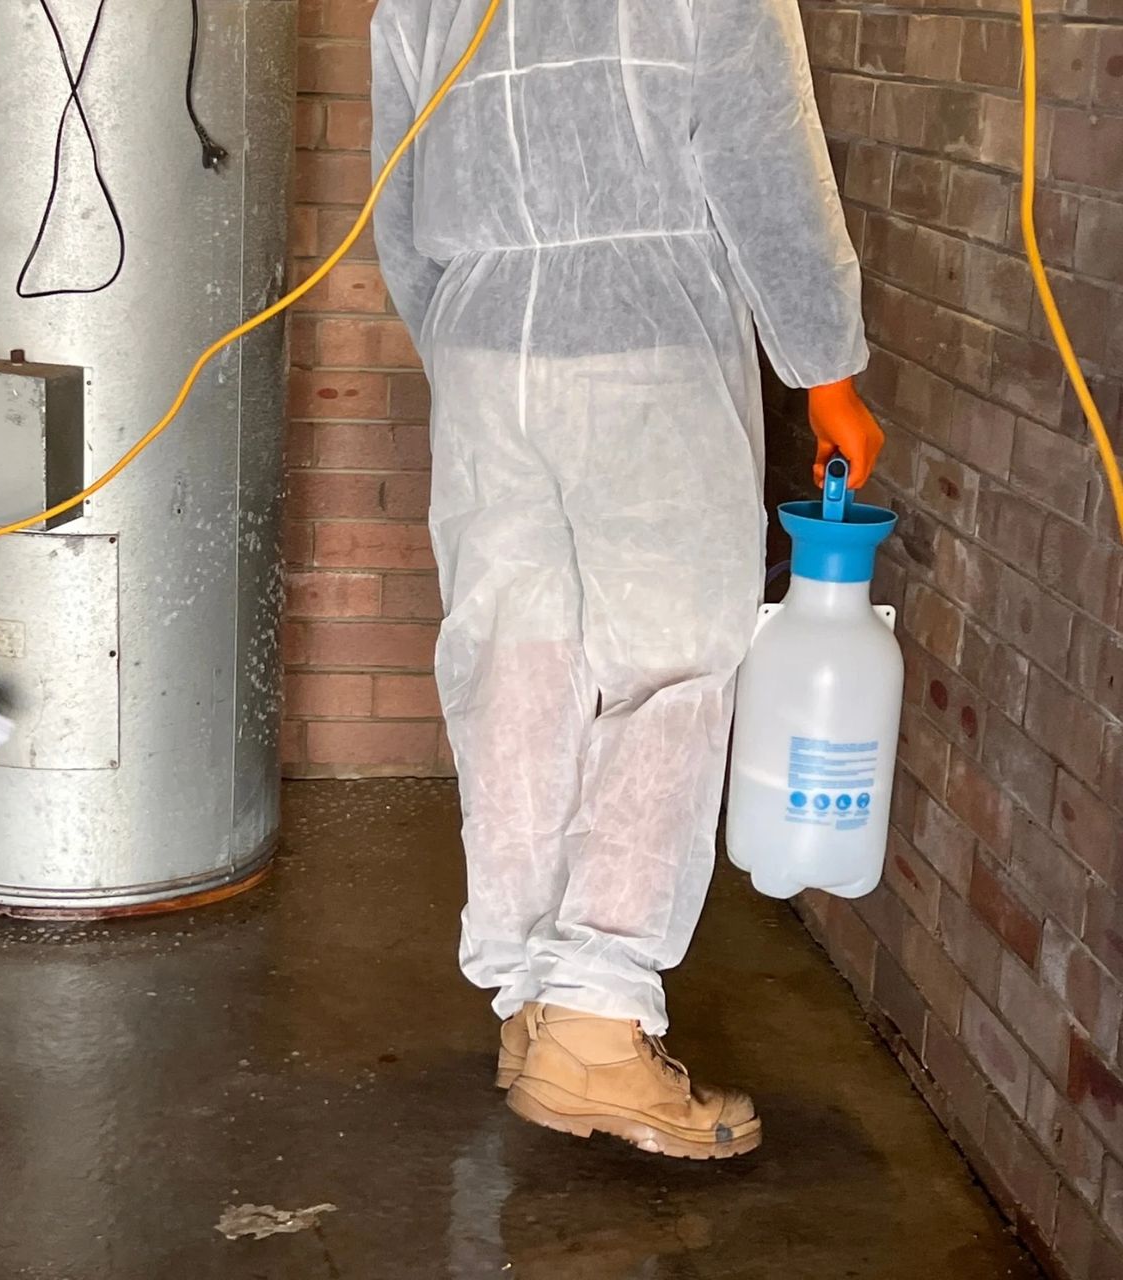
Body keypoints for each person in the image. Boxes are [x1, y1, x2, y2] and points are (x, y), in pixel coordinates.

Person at [370, 0, 884, 1160]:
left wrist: (469, 338)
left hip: (481, 342)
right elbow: (760, 154)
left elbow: (392, 199)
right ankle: (594, 1022)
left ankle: (531, 999)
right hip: (649, 338)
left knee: (515, 661)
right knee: (669, 662)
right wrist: (824, 371)